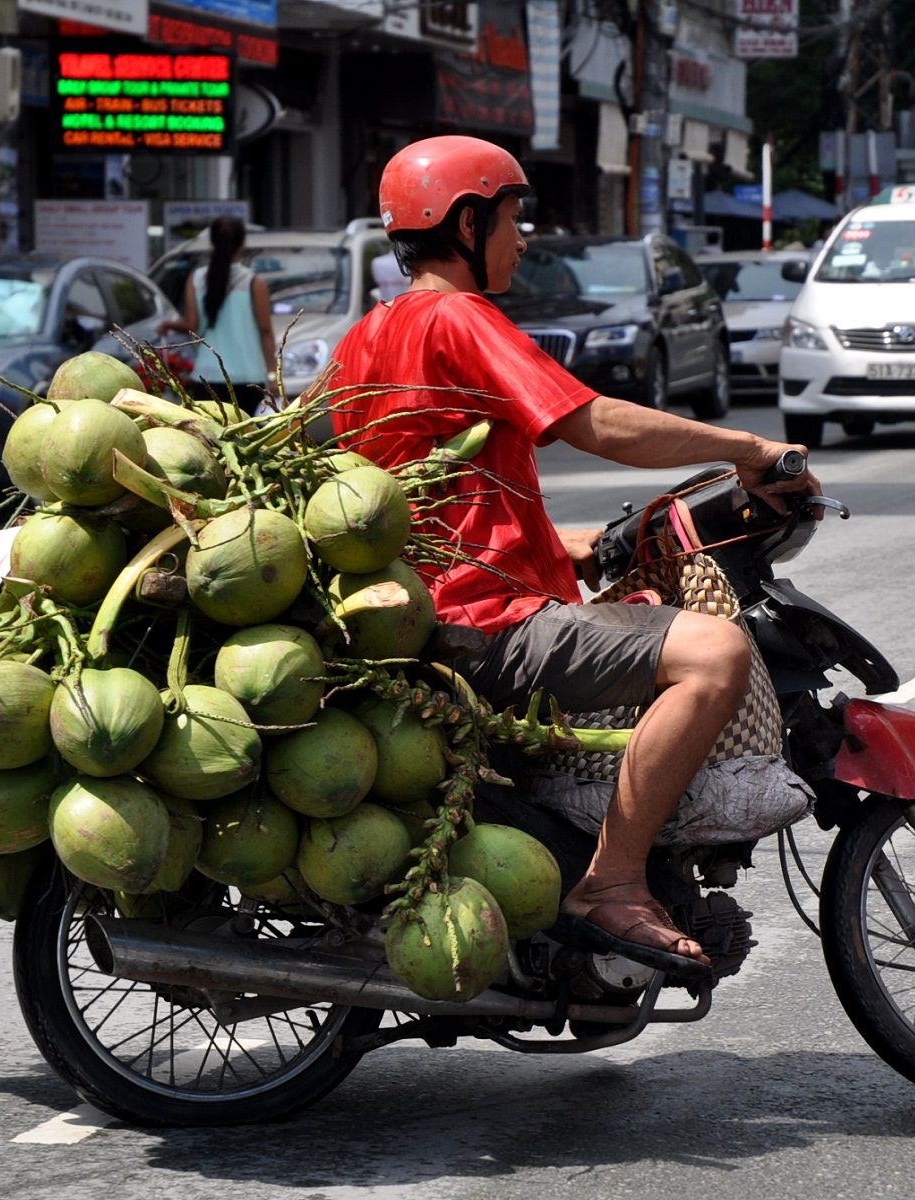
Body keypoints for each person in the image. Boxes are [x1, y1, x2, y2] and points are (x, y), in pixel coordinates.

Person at [326, 135, 819, 977]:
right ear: (467, 220)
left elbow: (419, 499)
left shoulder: (364, 339)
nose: (523, 238)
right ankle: (614, 883)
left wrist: (559, 548)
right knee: (715, 653)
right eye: (514, 217)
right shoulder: (457, 317)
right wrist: (746, 448)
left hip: (434, 606)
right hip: (483, 623)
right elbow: (592, 422)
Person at [155, 215, 276, 412]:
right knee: (246, 437)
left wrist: (170, 325)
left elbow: (191, 325)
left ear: (211, 242)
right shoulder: (255, 283)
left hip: (207, 377)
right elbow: (266, 332)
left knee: (212, 439)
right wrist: (272, 376)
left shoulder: (196, 279)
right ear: (243, 243)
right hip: (248, 379)